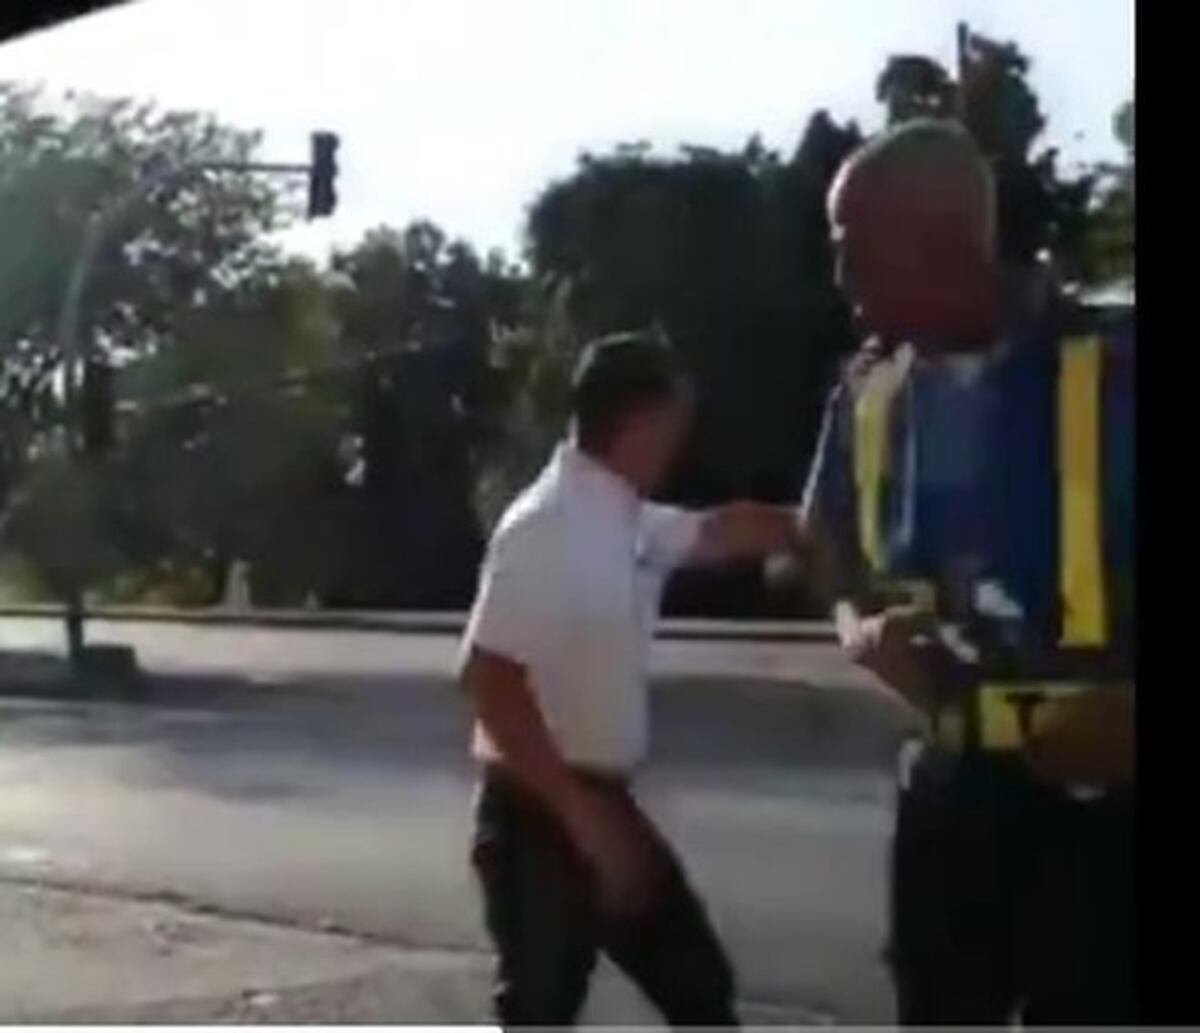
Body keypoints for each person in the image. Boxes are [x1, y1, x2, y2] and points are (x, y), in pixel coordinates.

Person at [801, 120, 1135, 1025]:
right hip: (953, 798)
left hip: (1112, 816)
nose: (841, 277)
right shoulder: (870, 393)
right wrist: (862, 631)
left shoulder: (1117, 366)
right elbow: (827, 547)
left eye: (855, 247)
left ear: (944, 238)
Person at [459, 332, 804, 1028]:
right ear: (641, 421)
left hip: (598, 803)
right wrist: (582, 818)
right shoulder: (546, 524)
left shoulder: (621, 515)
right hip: (540, 814)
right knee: (542, 1012)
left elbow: (716, 532)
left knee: (699, 988)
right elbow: (489, 680)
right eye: (675, 423)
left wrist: (815, 525)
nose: (681, 442)